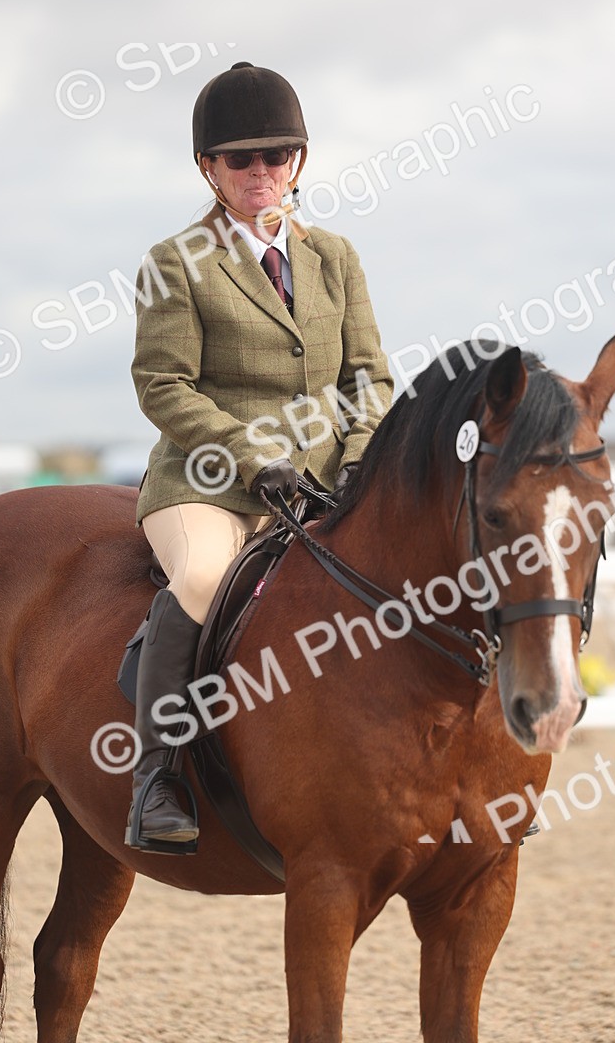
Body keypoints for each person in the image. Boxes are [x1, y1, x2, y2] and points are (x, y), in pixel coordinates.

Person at [126, 61, 394, 850]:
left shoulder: (334, 258)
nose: (260, 172)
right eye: (239, 158)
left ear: (298, 164)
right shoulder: (173, 262)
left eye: (275, 155)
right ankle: (158, 778)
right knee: (206, 580)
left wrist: (355, 461)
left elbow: (368, 376)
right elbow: (163, 385)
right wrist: (252, 459)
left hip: (318, 483)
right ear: (208, 168)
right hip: (207, 484)